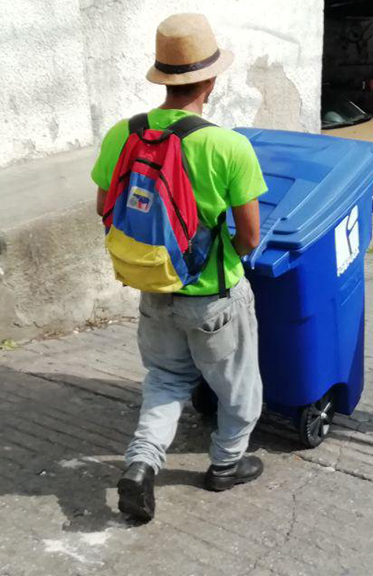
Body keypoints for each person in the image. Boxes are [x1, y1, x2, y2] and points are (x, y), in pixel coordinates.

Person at [91, 13, 268, 522]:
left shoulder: (122, 134)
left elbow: (105, 207)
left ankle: (142, 465)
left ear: (163, 76)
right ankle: (225, 466)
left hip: (152, 287)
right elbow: (250, 235)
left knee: (166, 382)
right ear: (210, 81)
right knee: (239, 389)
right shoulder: (228, 146)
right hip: (212, 296)